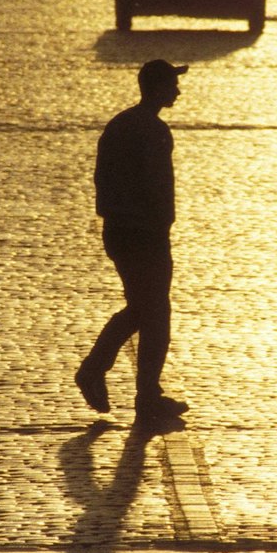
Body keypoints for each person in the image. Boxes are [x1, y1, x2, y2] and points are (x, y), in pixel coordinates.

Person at [76, 59, 192, 426]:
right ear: (156, 88)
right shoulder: (153, 131)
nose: (177, 91)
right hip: (144, 235)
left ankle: (122, 382)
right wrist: (159, 227)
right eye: (172, 85)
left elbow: (103, 181)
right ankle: (135, 392)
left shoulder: (121, 124)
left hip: (122, 231)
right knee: (154, 313)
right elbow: (157, 189)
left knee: (144, 310)